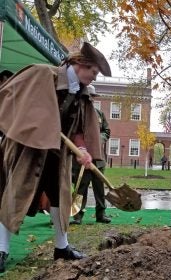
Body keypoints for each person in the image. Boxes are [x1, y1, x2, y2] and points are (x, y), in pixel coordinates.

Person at [0, 42, 112, 273]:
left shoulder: (81, 93)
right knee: (14, 195)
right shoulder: (42, 75)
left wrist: (83, 150)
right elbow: (8, 96)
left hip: (56, 154)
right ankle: (1, 250)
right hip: (27, 149)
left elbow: (78, 130)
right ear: (81, 64)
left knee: (59, 199)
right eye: (93, 72)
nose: (94, 78)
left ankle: (62, 248)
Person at [70, 85, 111, 225]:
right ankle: (78, 215)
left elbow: (107, 131)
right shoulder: (77, 114)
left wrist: (99, 138)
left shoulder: (99, 114)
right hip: (81, 158)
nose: (90, 99)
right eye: (88, 96)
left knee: (99, 188)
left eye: (92, 97)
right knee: (81, 187)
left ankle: (101, 214)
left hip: (98, 159)